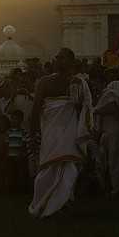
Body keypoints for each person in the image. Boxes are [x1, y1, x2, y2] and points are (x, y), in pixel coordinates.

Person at [29, 48, 92, 218]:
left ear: (71, 62)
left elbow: (84, 109)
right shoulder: (44, 82)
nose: (58, 60)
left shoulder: (79, 83)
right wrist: (33, 133)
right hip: (51, 131)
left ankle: (64, 202)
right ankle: (44, 204)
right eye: (57, 57)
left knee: (69, 167)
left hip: (71, 131)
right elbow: (35, 109)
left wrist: (77, 103)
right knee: (48, 168)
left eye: (62, 58)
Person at [94, 59, 119, 196]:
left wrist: (96, 110)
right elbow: (108, 102)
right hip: (107, 128)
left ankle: (117, 188)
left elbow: (116, 107)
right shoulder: (113, 84)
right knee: (104, 160)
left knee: (117, 159)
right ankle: (106, 186)